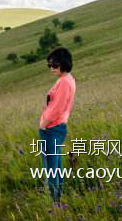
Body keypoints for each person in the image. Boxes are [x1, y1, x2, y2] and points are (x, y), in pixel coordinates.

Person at [38, 47, 76, 204]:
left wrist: (43, 124)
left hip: (52, 129)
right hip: (58, 127)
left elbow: (57, 108)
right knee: (56, 166)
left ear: (64, 63)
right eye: (49, 65)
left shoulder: (64, 83)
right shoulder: (67, 79)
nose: (51, 69)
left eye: (54, 65)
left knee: (51, 168)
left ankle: (55, 202)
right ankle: (57, 199)